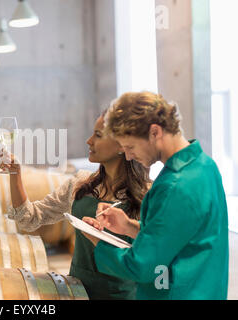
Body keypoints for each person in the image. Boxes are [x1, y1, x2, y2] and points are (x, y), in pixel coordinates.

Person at [82, 91, 229, 300]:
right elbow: (178, 234)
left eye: (130, 146)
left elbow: (141, 266)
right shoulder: (205, 166)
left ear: (154, 132)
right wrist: (128, 226)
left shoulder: (173, 186)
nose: (128, 155)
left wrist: (97, 241)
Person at [0, 110, 151, 300]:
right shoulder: (80, 183)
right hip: (76, 292)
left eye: (97, 135)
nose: (89, 141)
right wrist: (15, 175)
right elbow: (28, 218)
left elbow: (155, 254)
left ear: (122, 145)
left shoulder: (149, 195)